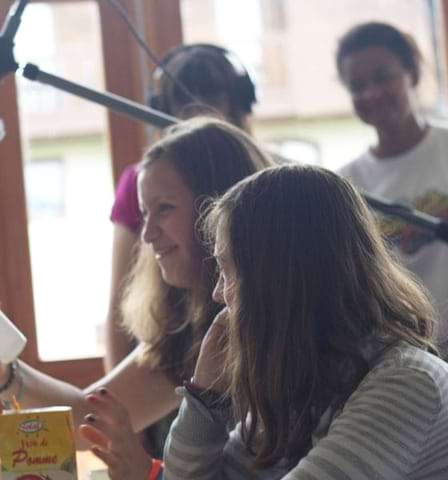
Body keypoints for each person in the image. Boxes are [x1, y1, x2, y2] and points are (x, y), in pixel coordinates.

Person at [0, 118, 274, 479]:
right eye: (144, 213)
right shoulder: (192, 334)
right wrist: (1, 371)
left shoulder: (279, 334)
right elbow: (86, 414)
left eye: (165, 208)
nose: (147, 234)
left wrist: (150, 473)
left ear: (219, 208)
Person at [164, 164, 448, 479]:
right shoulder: (310, 380)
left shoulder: (407, 383)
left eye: (228, 269)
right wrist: (205, 397)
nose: (218, 294)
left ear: (278, 281)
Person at [106, 43, 258, 372]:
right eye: (183, 102)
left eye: (211, 97)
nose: (196, 113)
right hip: (179, 344)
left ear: (239, 104)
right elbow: (117, 299)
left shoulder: (266, 185)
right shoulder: (145, 179)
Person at [335, 22, 448, 354]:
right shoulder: (346, 184)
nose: (371, 94)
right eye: (358, 85)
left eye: (383, 77)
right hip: (406, 358)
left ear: (411, 74)